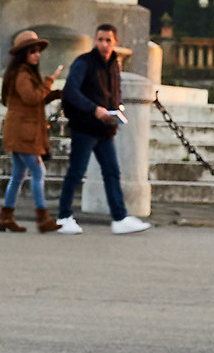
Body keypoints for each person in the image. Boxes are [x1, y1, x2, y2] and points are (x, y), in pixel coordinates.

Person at [55, 22, 149, 235]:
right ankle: (63, 216)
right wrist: (93, 109)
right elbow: (70, 91)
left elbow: (114, 90)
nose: (104, 44)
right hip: (84, 127)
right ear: (95, 40)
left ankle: (119, 217)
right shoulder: (84, 62)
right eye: (100, 40)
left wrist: (117, 109)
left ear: (115, 42)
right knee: (76, 172)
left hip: (105, 129)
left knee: (112, 172)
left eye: (108, 40)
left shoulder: (114, 64)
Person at [0, 29, 58, 233]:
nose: (37, 54)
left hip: (22, 130)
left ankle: (6, 217)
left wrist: (54, 93)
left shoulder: (25, 73)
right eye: (32, 51)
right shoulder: (22, 74)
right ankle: (42, 218)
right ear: (23, 54)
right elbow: (32, 98)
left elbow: (36, 100)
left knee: (17, 175)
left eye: (38, 50)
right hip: (23, 132)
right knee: (38, 172)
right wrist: (49, 83)